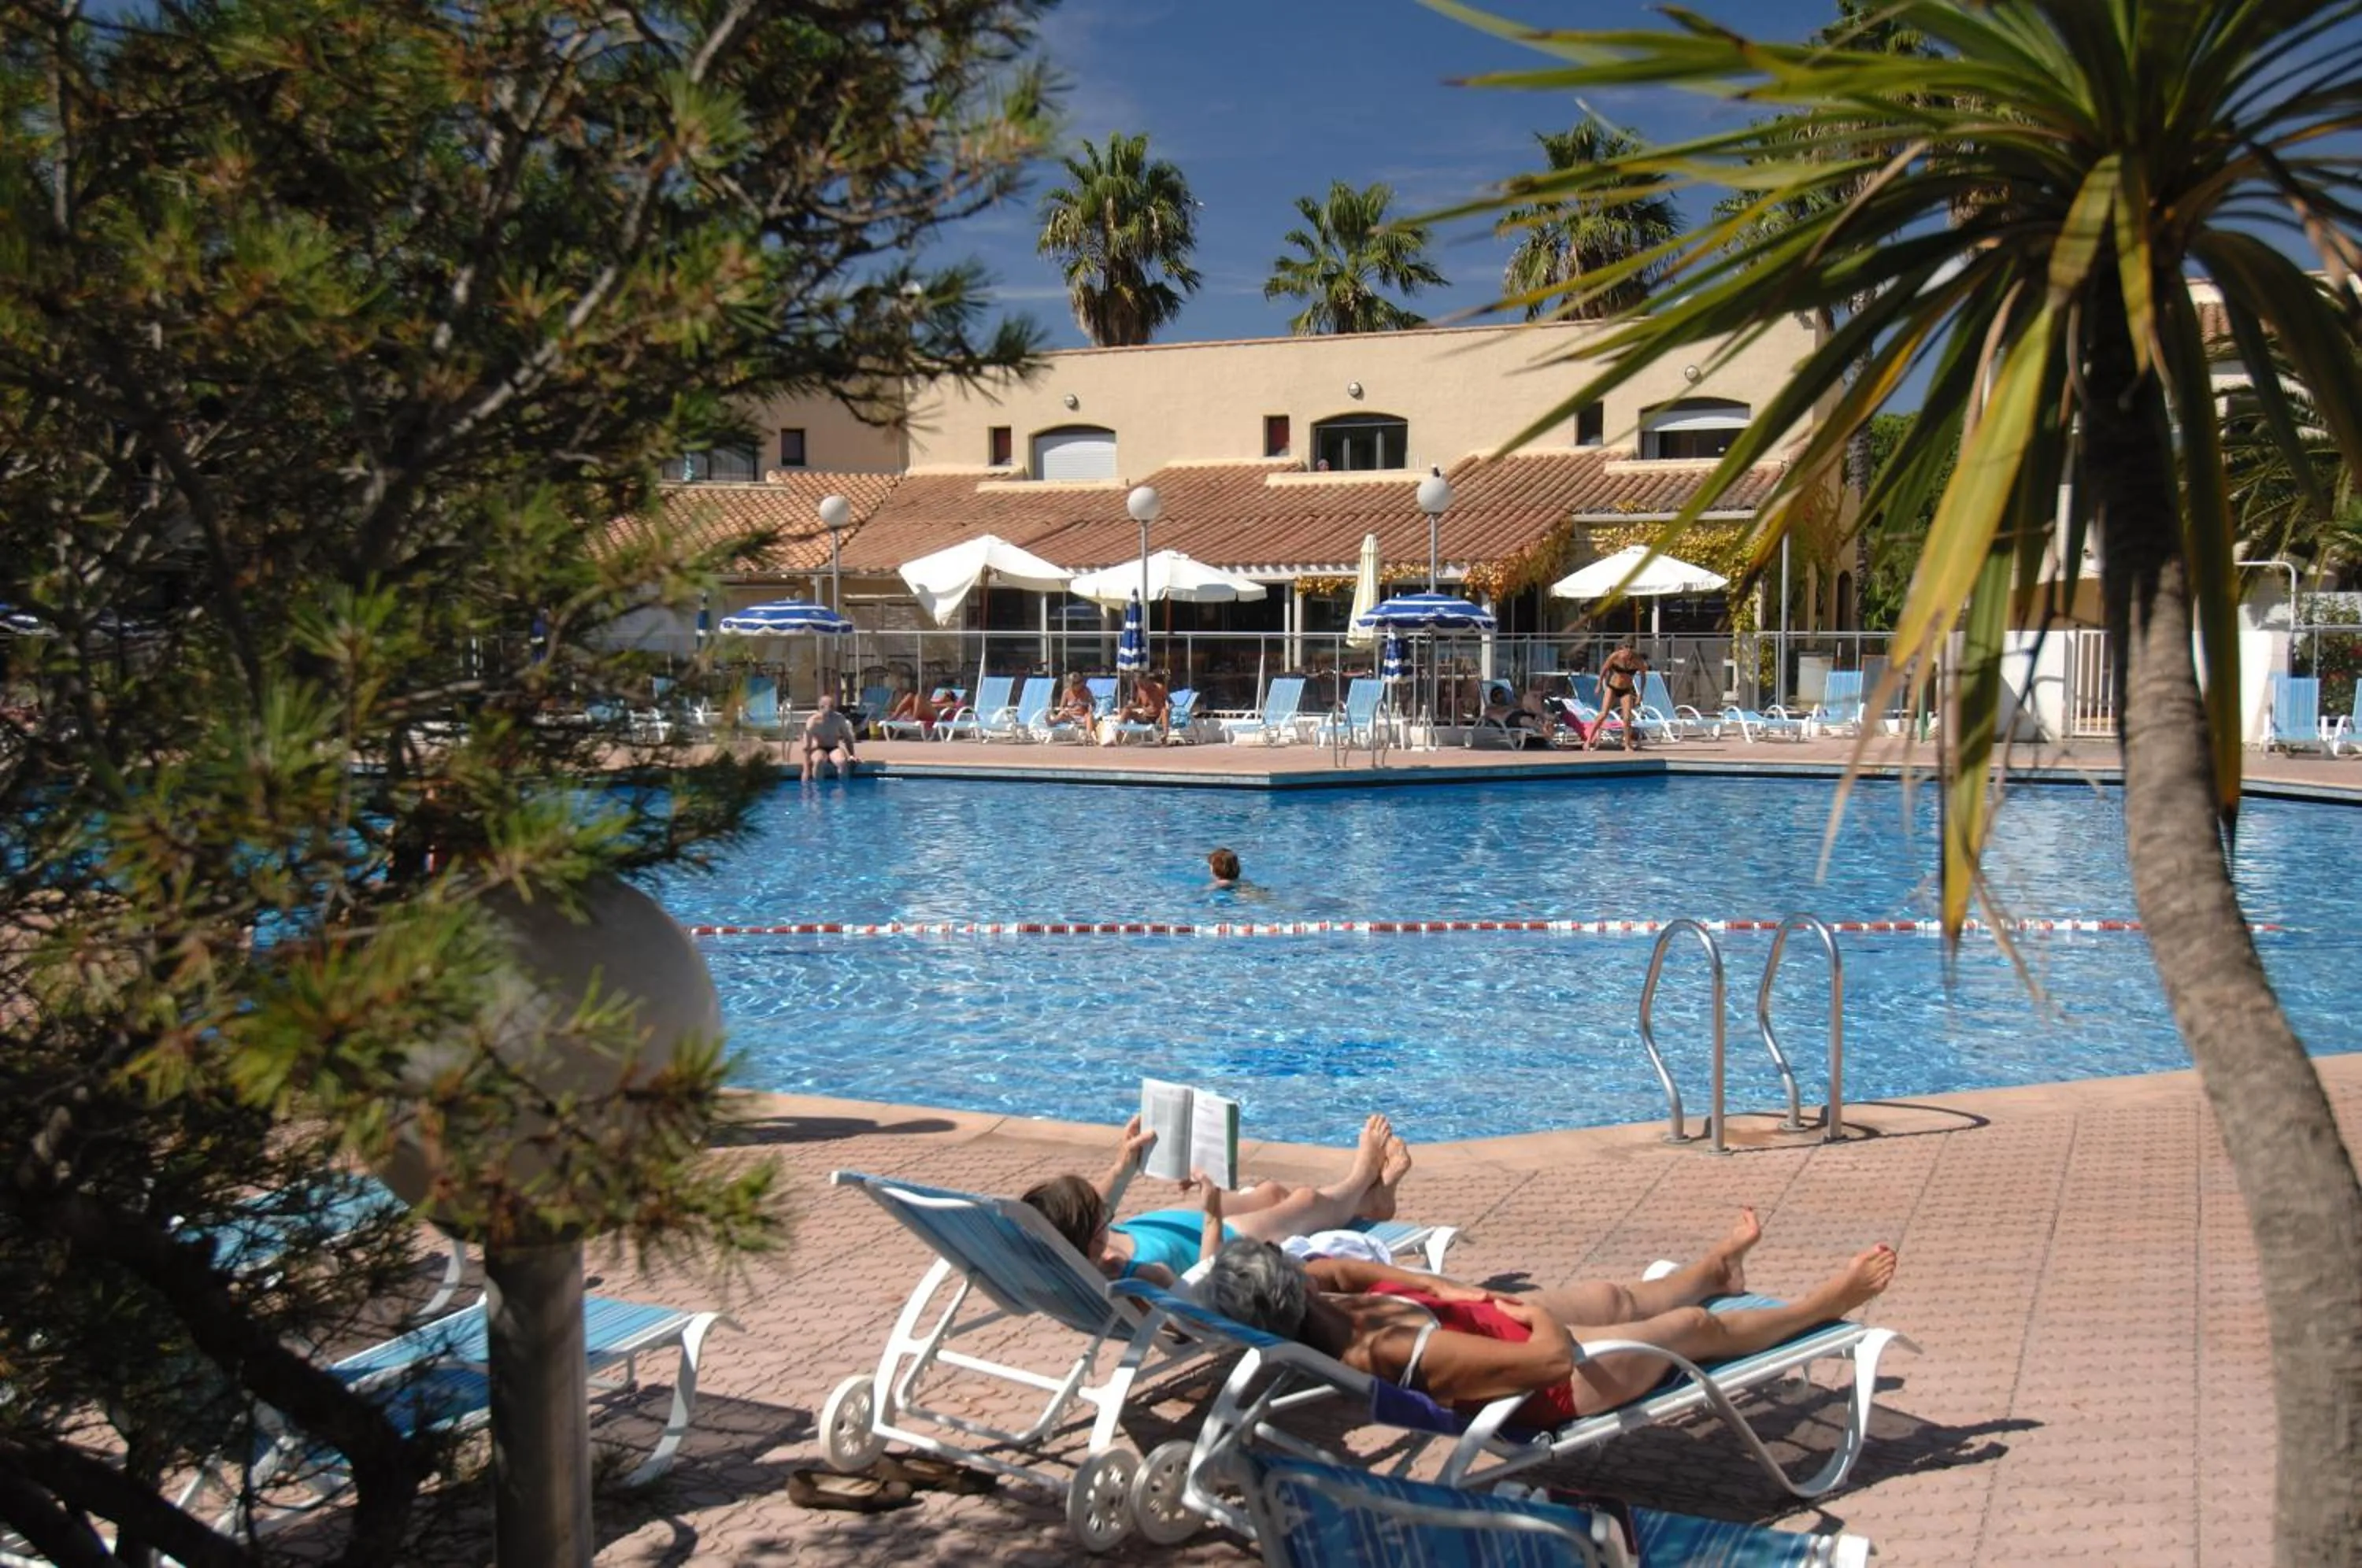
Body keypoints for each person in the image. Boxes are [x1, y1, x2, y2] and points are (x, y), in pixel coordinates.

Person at [1201, 1211, 1897, 1428]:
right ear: (1285, 1290)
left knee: (1616, 1294)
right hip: (1546, 1385)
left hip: (1480, 1324)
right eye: (1282, 1258)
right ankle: (1822, 1307)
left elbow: (1350, 1270)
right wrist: (1530, 1316)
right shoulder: (1381, 1354)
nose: (1297, 1256)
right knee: (1694, 1332)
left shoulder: (1322, 1294)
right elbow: (1549, 1363)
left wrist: (1458, 1291)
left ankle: (1716, 1273)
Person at [1023, 1112, 1416, 1289]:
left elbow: (1092, 1211)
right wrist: (1211, 1217)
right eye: (1101, 1219)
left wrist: (1126, 1163)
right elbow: (1197, 1299)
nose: (1105, 1212)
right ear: (1090, 1237)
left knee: (1273, 1192)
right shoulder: (1128, 1278)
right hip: (1217, 1244)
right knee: (1304, 1201)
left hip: (1187, 1225)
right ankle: (1361, 1177)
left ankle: (1370, 1204)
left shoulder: (1067, 1251)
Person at [1587, 642, 1648, 751]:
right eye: (1626, 647)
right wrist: (1599, 684)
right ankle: (1588, 741)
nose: (1628, 650)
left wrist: (1641, 694)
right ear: (1622, 648)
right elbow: (1604, 669)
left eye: (1631, 647)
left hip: (1626, 690)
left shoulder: (1638, 661)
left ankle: (1628, 745)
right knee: (1603, 714)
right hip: (1612, 688)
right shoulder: (1615, 656)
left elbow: (1643, 677)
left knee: (1627, 718)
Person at [801, 690, 860, 779]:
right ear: (821, 707)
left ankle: (843, 790)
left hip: (834, 748)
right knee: (819, 762)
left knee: (842, 762)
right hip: (818, 749)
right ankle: (819, 790)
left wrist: (852, 756)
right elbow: (806, 747)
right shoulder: (813, 721)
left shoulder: (839, 718)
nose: (833, 709)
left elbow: (847, 738)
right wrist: (806, 769)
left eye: (833, 706)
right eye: (831, 706)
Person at [1104, 669, 1169, 744]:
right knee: (1126, 711)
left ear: (1146, 679)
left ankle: (1165, 737)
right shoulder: (1140, 689)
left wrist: (1162, 716)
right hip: (1145, 717)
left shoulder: (1159, 688)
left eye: (1141, 684)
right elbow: (1138, 704)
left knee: (1164, 710)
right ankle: (1117, 738)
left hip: (1158, 717)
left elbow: (1171, 703)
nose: (1140, 686)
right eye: (1138, 684)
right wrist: (1128, 707)